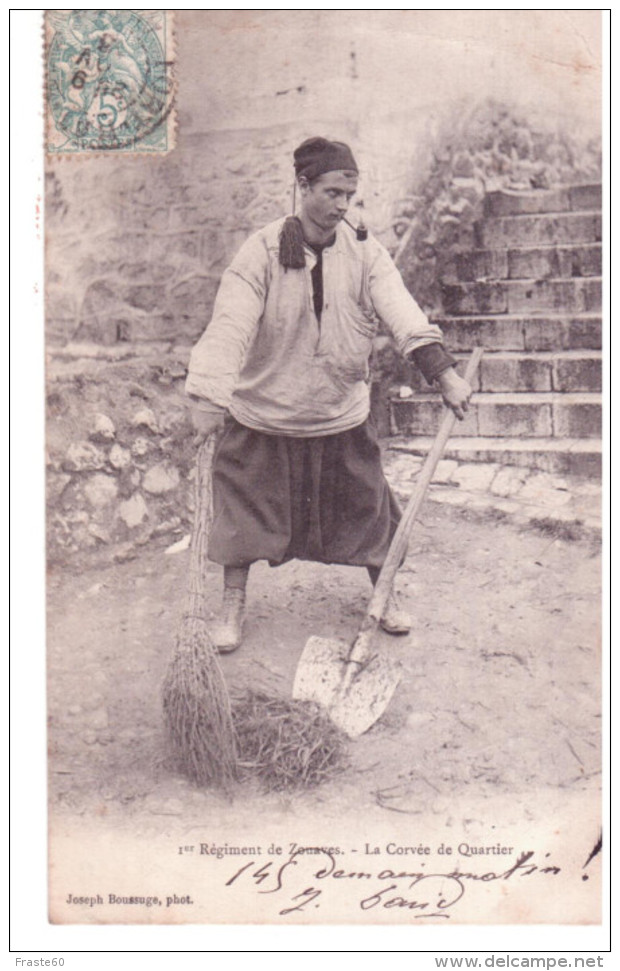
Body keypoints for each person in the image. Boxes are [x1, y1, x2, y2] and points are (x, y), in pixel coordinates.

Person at [186, 136, 471, 652]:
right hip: (266, 411)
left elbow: (402, 311)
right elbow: (229, 325)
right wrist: (208, 394)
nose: (343, 205)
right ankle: (232, 606)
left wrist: (443, 372)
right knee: (242, 517)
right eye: (333, 192)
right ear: (301, 187)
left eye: (351, 194)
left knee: (370, 509)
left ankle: (384, 593)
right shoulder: (262, 252)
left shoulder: (365, 251)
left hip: (339, 411)